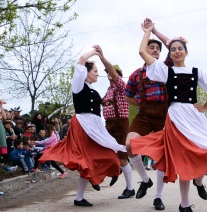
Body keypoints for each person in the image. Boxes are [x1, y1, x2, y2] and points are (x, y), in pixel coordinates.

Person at [131, 21, 207, 212]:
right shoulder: (165, 71)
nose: (177, 51)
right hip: (175, 118)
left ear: (186, 52)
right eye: (173, 49)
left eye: (180, 48)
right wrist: (149, 32)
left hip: (194, 117)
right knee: (185, 161)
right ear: (170, 54)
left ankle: (199, 181)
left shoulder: (197, 72)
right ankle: (185, 204)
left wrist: (206, 106)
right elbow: (142, 52)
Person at [39, 48, 127, 207]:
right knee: (87, 160)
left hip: (94, 126)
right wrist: (94, 52)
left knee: (107, 152)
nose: (97, 74)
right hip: (83, 126)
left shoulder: (92, 90)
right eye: (95, 71)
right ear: (85, 73)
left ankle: (87, 190)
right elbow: (81, 59)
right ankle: (86, 189)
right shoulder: (78, 85)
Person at [124, 20, 169, 210]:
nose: (155, 51)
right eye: (151, 48)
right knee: (129, 144)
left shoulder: (167, 67)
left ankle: (158, 197)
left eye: (157, 49)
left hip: (165, 114)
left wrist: (155, 31)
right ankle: (144, 179)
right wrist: (141, 102)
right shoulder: (136, 74)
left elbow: (170, 44)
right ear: (146, 50)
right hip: (144, 114)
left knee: (162, 156)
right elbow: (128, 97)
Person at [94, 45, 133, 198]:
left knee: (122, 157)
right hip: (109, 124)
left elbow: (114, 74)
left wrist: (102, 57)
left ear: (118, 75)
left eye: (112, 73)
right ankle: (114, 172)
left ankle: (130, 188)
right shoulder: (108, 90)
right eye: (108, 74)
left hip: (120, 124)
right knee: (103, 152)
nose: (109, 75)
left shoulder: (122, 86)